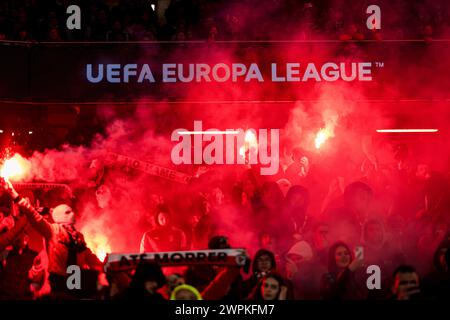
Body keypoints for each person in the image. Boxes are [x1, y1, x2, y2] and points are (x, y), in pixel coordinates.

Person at [0, 178, 105, 299]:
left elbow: (94, 261)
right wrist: (13, 193)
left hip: (74, 287)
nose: (71, 215)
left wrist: (107, 270)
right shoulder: (53, 231)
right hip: (57, 287)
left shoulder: (79, 239)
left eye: (70, 213)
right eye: (66, 213)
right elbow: (32, 214)